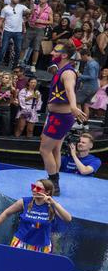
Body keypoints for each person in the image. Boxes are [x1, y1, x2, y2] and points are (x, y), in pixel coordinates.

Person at [41, 45, 87, 195]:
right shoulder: (61, 69)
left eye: (56, 51)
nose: (52, 52)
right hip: (56, 116)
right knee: (55, 149)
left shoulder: (68, 73)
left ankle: (53, 184)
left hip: (61, 117)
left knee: (44, 149)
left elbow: (69, 89)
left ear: (65, 55)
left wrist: (73, 106)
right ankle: (53, 180)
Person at [0, 179, 72, 253]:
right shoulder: (24, 202)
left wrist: (53, 203)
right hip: (20, 243)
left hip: (41, 248)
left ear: (47, 192)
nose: (34, 190)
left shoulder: (52, 205)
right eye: (33, 186)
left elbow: (68, 218)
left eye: (38, 188)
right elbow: (6, 213)